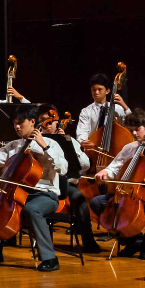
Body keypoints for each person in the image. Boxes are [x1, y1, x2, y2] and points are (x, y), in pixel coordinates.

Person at [0, 102, 67, 270]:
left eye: (21, 123)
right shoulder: (15, 145)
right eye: (15, 123)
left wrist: (44, 146)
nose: (17, 127)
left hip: (44, 194)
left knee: (32, 210)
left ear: (33, 122)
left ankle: (50, 259)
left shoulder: (51, 144)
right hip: (17, 193)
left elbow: (63, 168)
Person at [88, 108, 145, 259]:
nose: (135, 134)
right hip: (131, 190)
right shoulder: (129, 148)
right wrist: (105, 172)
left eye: (138, 130)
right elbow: (115, 166)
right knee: (97, 202)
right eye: (132, 131)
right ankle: (133, 240)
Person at [40, 106, 102, 254]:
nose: (47, 124)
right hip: (45, 183)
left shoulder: (69, 140)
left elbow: (86, 166)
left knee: (78, 197)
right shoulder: (36, 140)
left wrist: (71, 148)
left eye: (51, 121)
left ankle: (88, 240)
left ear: (57, 122)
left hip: (66, 183)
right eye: (43, 121)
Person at [76, 72, 131, 170]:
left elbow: (132, 125)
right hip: (93, 154)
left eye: (99, 89)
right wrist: (84, 141)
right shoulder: (86, 111)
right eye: (93, 90)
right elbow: (82, 132)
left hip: (114, 153)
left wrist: (125, 107)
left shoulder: (118, 109)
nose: (96, 93)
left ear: (108, 91)